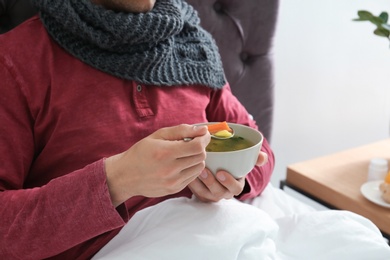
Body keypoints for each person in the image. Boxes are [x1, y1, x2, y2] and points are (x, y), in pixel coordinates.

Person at [0, 0, 275, 258]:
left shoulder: (193, 46)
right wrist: (117, 180)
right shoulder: (15, 60)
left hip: (230, 238)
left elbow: (261, 154)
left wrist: (230, 182)